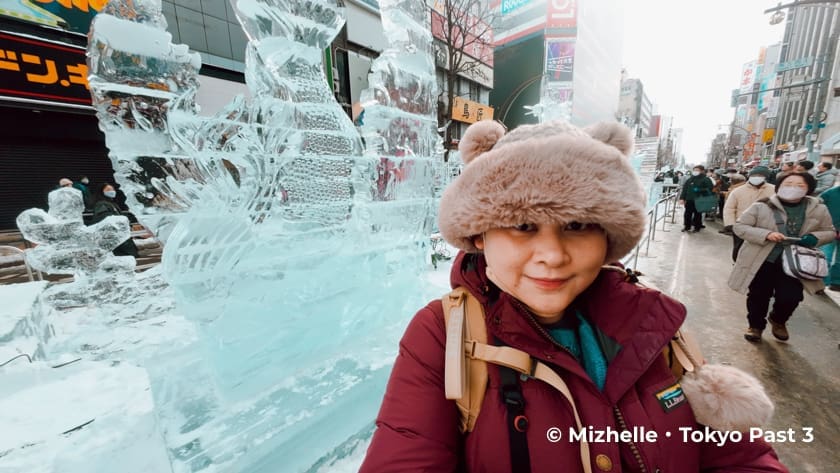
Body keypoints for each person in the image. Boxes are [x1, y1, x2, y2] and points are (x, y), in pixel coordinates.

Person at [360, 120, 787, 473]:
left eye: (578, 225)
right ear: (480, 235)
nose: (552, 255)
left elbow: (738, 458)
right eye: (523, 226)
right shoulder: (443, 334)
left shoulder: (648, 322)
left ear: (609, 237)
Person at [728, 172, 834, 342]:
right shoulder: (761, 206)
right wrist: (766, 234)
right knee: (758, 295)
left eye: (800, 186)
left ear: (809, 189)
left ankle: (778, 319)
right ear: (779, 187)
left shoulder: (819, 209)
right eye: (788, 184)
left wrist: (815, 237)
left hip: (796, 263)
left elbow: (829, 231)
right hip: (762, 259)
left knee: (791, 297)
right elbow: (740, 227)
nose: (793, 188)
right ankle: (755, 326)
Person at [723, 166, 776, 261]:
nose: (757, 177)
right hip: (741, 226)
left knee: (759, 252)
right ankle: (737, 265)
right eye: (754, 175)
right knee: (738, 250)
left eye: (760, 175)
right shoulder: (738, 190)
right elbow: (729, 208)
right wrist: (730, 224)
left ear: (765, 177)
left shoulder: (774, 190)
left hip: (764, 227)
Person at [92, 183, 139, 258]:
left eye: (112, 189)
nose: (112, 191)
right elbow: (105, 218)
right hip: (115, 237)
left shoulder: (111, 203)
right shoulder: (101, 204)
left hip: (121, 236)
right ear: (102, 192)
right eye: (108, 190)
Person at [678, 164, 713, 232]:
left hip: (699, 199)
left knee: (698, 214)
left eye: (697, 170)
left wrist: (699, 190)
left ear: (702, 171)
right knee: (687, 214)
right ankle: (687, 226)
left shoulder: (706, 179)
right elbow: (685, 189)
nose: (695, 172)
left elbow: (709, 189)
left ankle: (697, 227)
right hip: (689, 199)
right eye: (694, 170)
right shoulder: (690, 179)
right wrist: (682, 198)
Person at [819, 185, 840, 291]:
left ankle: (836, 283)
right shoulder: (830, 193)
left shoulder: (830, 192)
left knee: (836, 259)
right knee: (825, 256)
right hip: (829, 229)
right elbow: (817, 208)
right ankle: (821, 283)